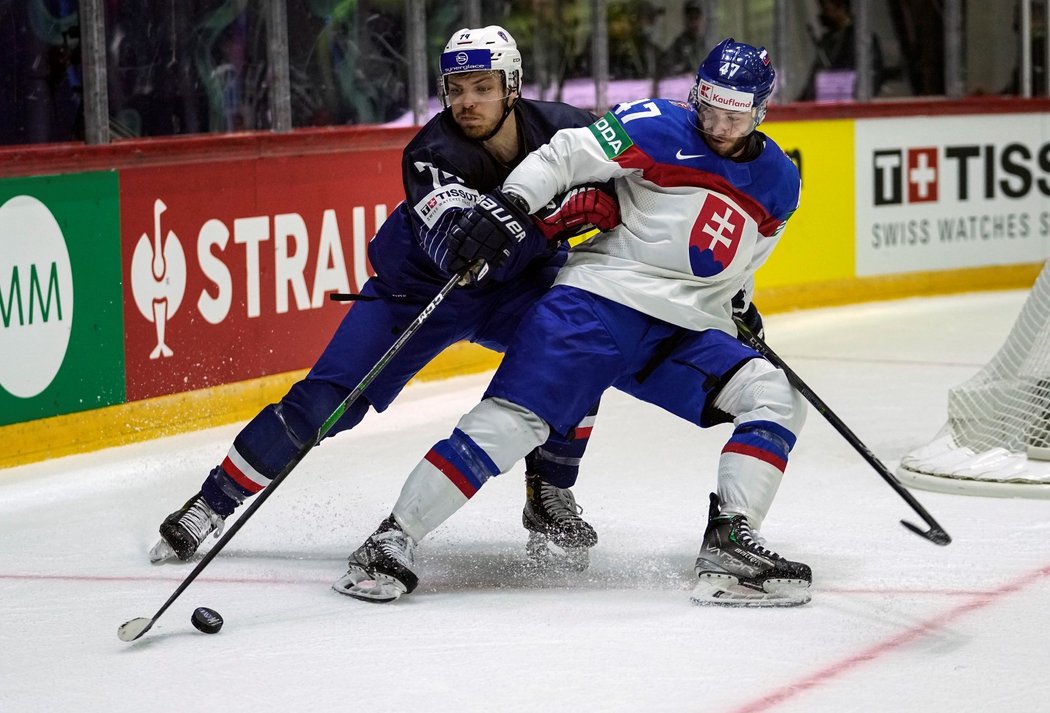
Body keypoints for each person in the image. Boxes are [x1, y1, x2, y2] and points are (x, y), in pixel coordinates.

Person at [339, 38, 812, 607]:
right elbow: (564, 154)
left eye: (732, 113)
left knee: (775, 396)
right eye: (708, 107)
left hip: (682, 328)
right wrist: (511, 202)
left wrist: (739, 302)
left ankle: (730, 542)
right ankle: (393, 538)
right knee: (514, 423)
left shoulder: (781, 182)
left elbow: (745, 257)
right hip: (597, 304)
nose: (716, 123)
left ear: (760, 111)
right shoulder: (655, 122)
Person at [149, 25, 621, 573]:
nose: (465, 101)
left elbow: (656, 174)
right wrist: (555, 216)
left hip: (519, 286)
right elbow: (462, 252)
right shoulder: (430, 151)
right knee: (324, 406)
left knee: (581, 353)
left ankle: (548, 496)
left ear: (512, 87)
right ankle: (210, 503)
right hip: (418, 291)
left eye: (482, 87)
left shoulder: (569, 129)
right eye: (455, 88)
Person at [798, 0, 884, 101]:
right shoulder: (828, 39)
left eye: (827, 10)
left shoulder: (862, 39)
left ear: (841, 7)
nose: (822, 15)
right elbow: (815, 77)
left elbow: (870, 80)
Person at [660, 0, 708, 78]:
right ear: (685, 19)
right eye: (691, 18)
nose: (694, 22)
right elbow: (668, 68)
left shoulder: (704, 44)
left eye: (696, 18)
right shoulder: (678, 45)